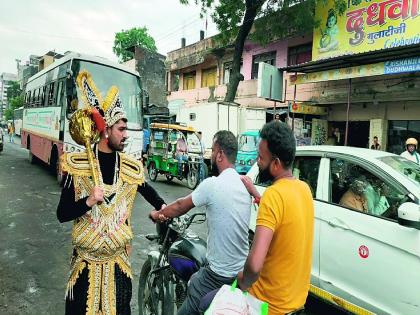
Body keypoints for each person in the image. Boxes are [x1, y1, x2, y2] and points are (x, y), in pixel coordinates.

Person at [56, 71, 166, 315]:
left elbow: (149, 192)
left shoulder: (129, 167)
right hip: (85, 269)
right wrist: (88, 200)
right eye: (121, 129)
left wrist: (166, 209)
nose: (126, 134)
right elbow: (62, 213)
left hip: (118, 267)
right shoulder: (77, 165)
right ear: (105, 130)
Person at [150, 130, 252, 315]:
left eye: (213, 151)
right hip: (241, 273)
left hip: (216, 276)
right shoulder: (245, 185)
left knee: (196, 284)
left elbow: (181, 205)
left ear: (220, 154)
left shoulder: (212, 184)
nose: (211, 156)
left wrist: (159, 214)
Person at [237, 121, 314, 314]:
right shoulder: (304, 189)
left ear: (277, 163)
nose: (257, 162)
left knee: (206, 303)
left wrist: (243, 281)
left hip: (266, 306)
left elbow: (254, 266)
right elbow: (283, 215)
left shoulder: (273, 195)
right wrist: (256, 194)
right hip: (296, 304)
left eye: (261, 158)